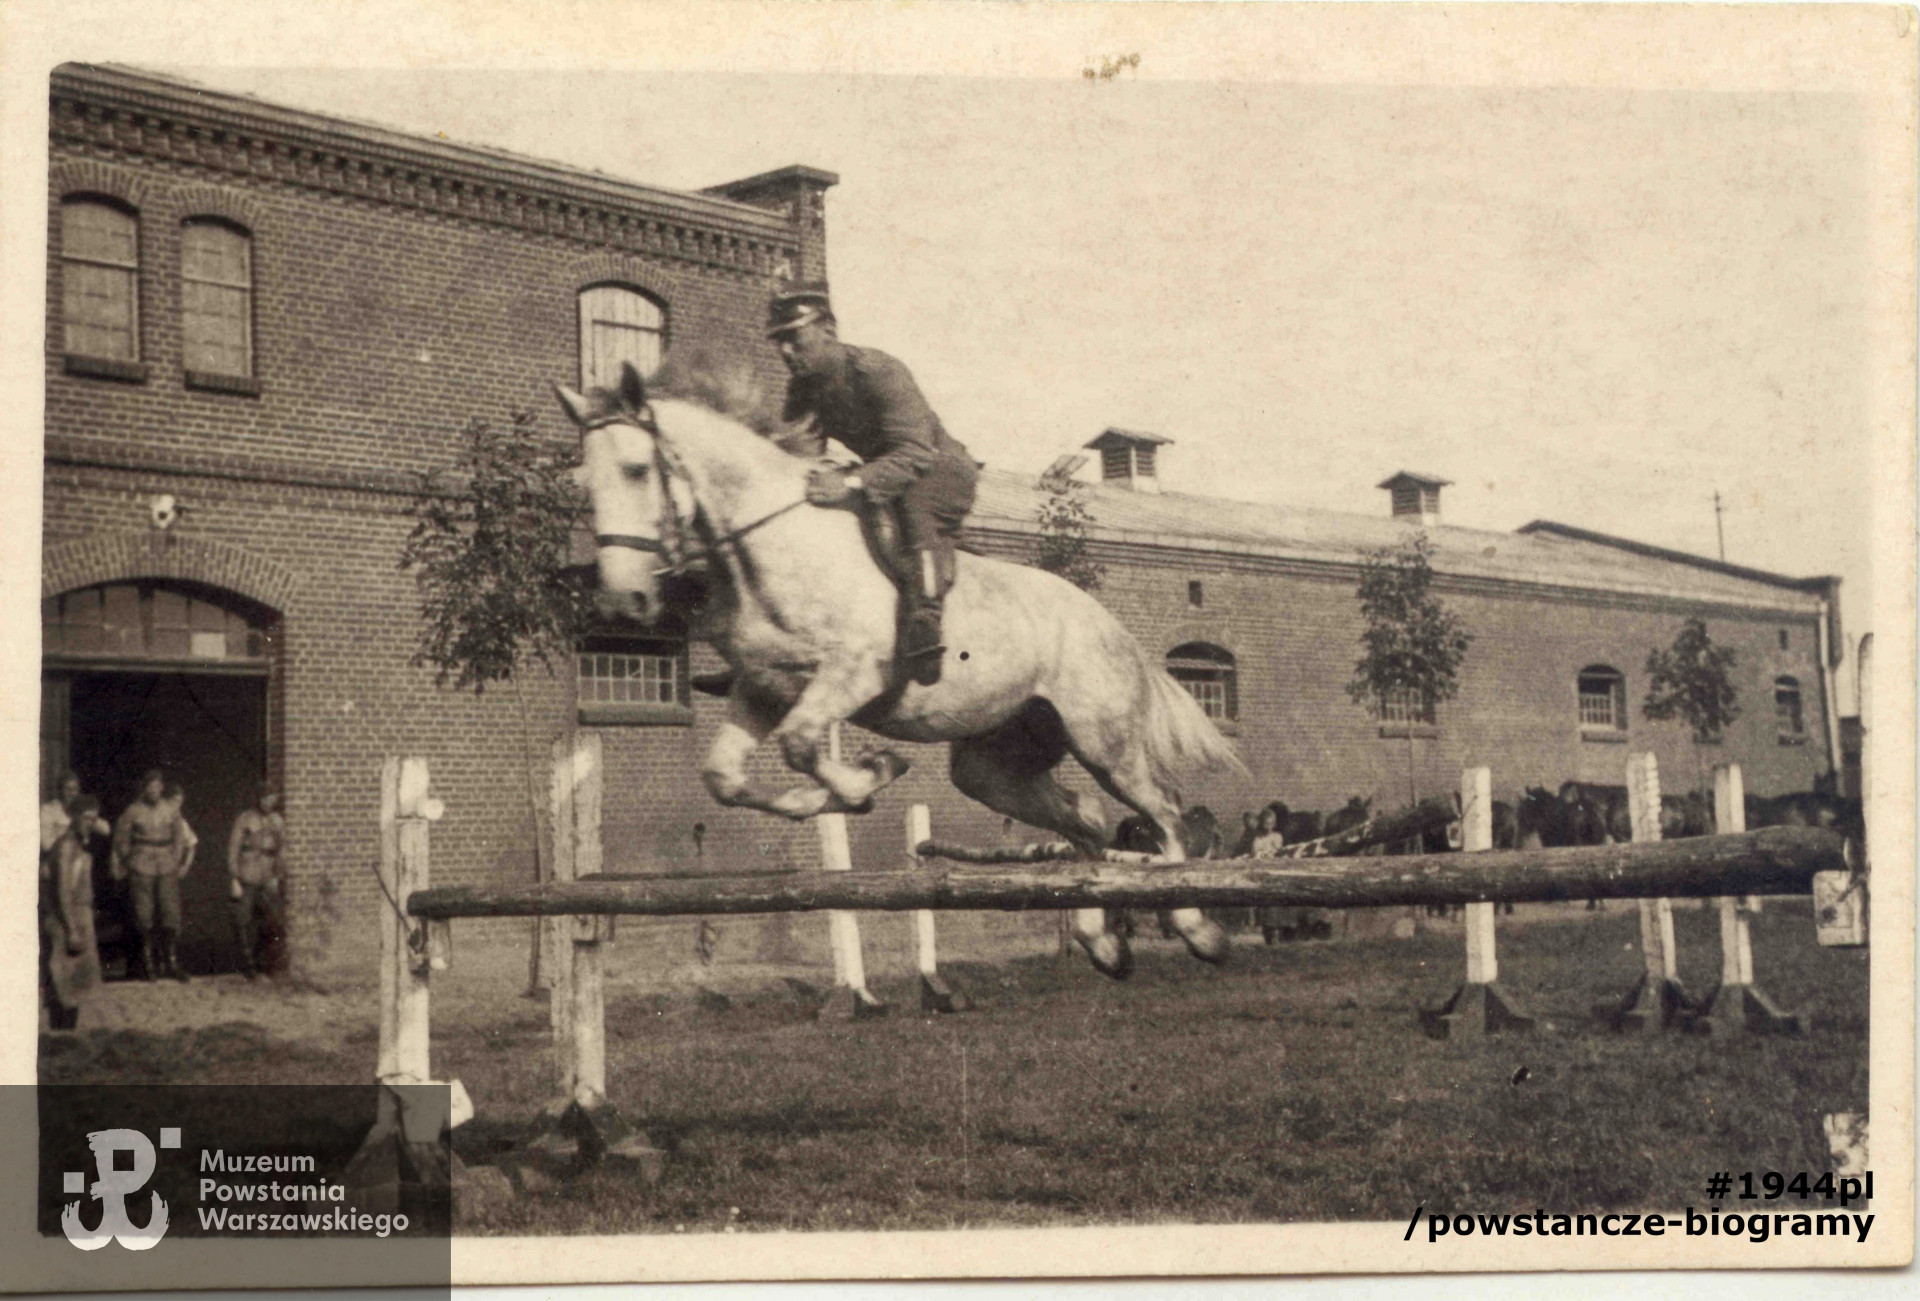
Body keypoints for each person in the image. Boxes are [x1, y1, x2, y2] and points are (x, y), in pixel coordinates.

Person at [768, 285, 981, 686]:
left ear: (827, 328)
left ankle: (925, 624)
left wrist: (849, 481)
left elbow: (915, 452)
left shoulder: (878, 370)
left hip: (938, 469)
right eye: (778, 341)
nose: (785, 351)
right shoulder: (803, 389)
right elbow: (799, 454)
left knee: (914, 505)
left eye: (793, 337)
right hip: (884, 470)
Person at [112, 769, 190, 983]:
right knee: (144, 914)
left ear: (162, 788)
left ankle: (171, 961)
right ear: (144, 788)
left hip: (166, 862)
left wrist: (175, 859)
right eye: (150, 786)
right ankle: (148, 963)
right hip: (142, 862)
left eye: (157, 786)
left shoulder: (170, 810)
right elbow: (121, 838)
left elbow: (179, 837)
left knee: (170, 911)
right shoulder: (133, 811)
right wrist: (130, 860)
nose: (154, 790)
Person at [41, 795, 105, 1029]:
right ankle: (62, 1037)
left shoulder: (77, 843)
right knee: (65, 983)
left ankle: (67, 1036)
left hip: (79, 916)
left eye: (94, 819)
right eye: (86, 818)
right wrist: (72, 929)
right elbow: (63, 891)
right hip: (69, 918)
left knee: (74, 985)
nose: (90, 823)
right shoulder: (67, 846)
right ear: (74, 818)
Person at [227, 787, 287, 979]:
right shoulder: (245, 819)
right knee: (243, 919)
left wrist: (278, 875)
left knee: (272, 920)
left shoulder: (278, 821)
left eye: (271, 798)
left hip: (268, 874)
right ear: (258, 800)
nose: (267, 802)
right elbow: (233, 848)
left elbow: (282, 850)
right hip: (248, 873)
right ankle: (247, 964)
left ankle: (262, 961)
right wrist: (234, 877)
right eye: (263, 798)